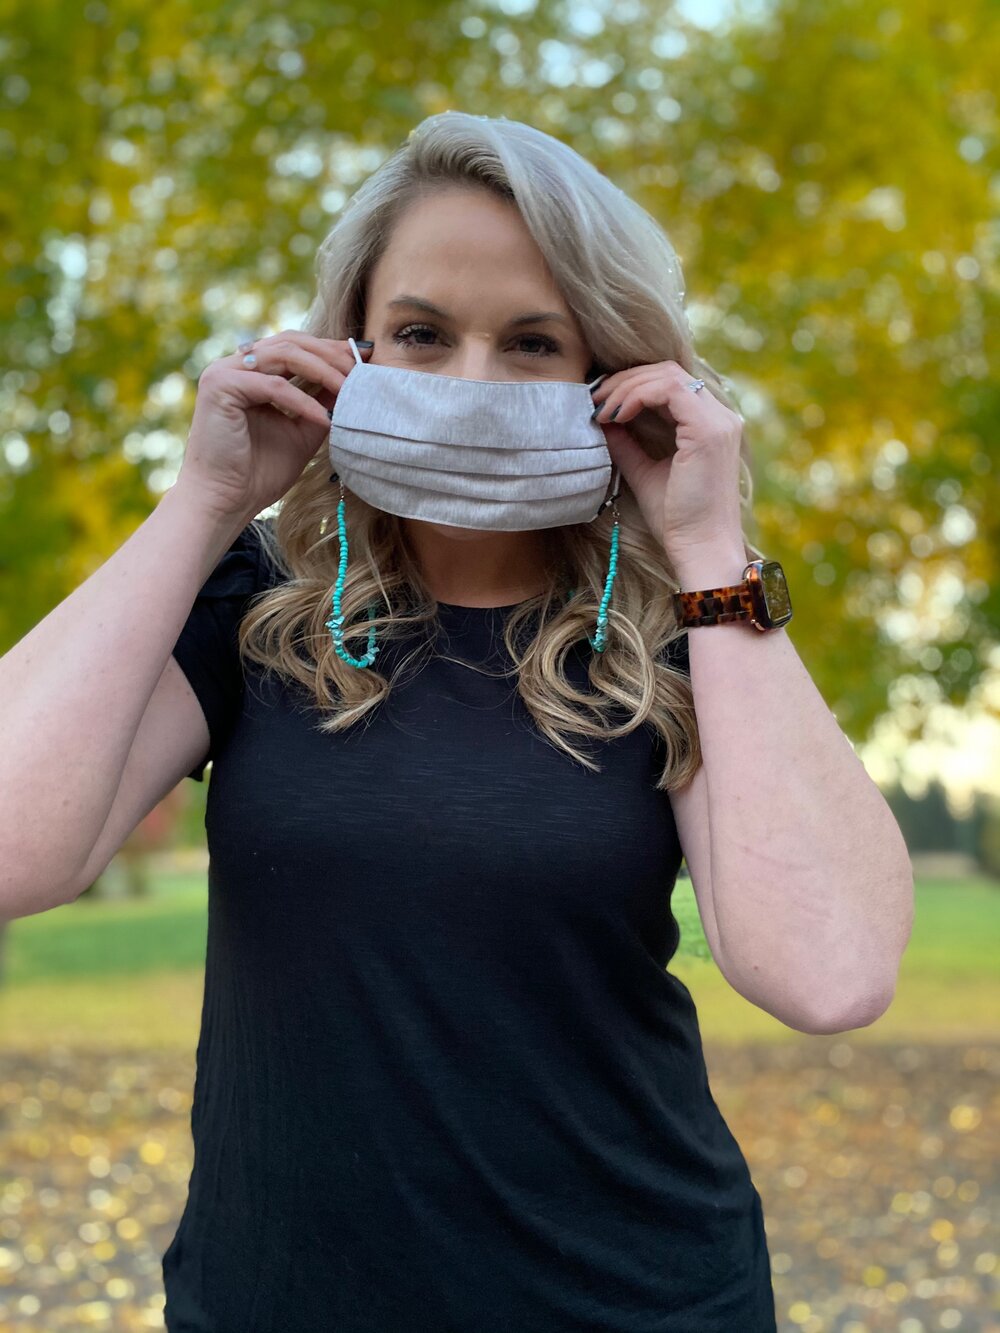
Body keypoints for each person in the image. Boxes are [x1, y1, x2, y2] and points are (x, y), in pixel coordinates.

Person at [0, 111, 914, 1332]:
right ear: (351, 349)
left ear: (609, 377)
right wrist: (205, 501)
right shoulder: (257, 605)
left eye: (532, 342)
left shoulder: (685, 629)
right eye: (422, 334)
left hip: (633, 1302)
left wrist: (708, 546)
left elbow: (831, 974)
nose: (470, 384)